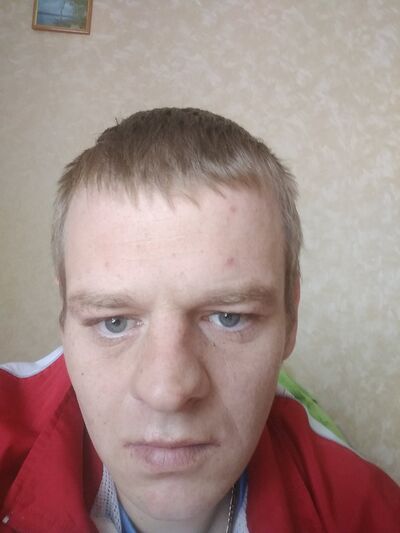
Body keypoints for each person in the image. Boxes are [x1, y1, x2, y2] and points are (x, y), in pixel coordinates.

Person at [0, 108, 399, 533]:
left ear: (291, 316)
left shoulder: (367, 512)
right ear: (64, 316)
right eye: (114, 322)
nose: (168, 392)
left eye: (229, 317)